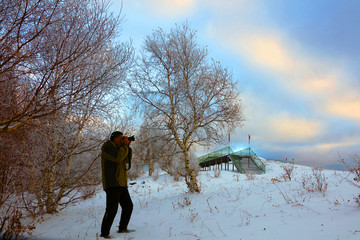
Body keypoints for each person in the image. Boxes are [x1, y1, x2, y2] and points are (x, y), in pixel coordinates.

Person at [100, 131, 134, 238]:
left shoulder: (120, 148)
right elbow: (118, 157)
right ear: (114, 138)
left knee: (128, 206)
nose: (122, 140)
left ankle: (122, 228)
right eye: (121, 138)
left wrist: (127, 147)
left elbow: (127, 160)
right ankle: (104, 234)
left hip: (121, 183)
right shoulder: (108, 147)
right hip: (112, 183)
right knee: (112, 209)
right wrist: (124, 146)